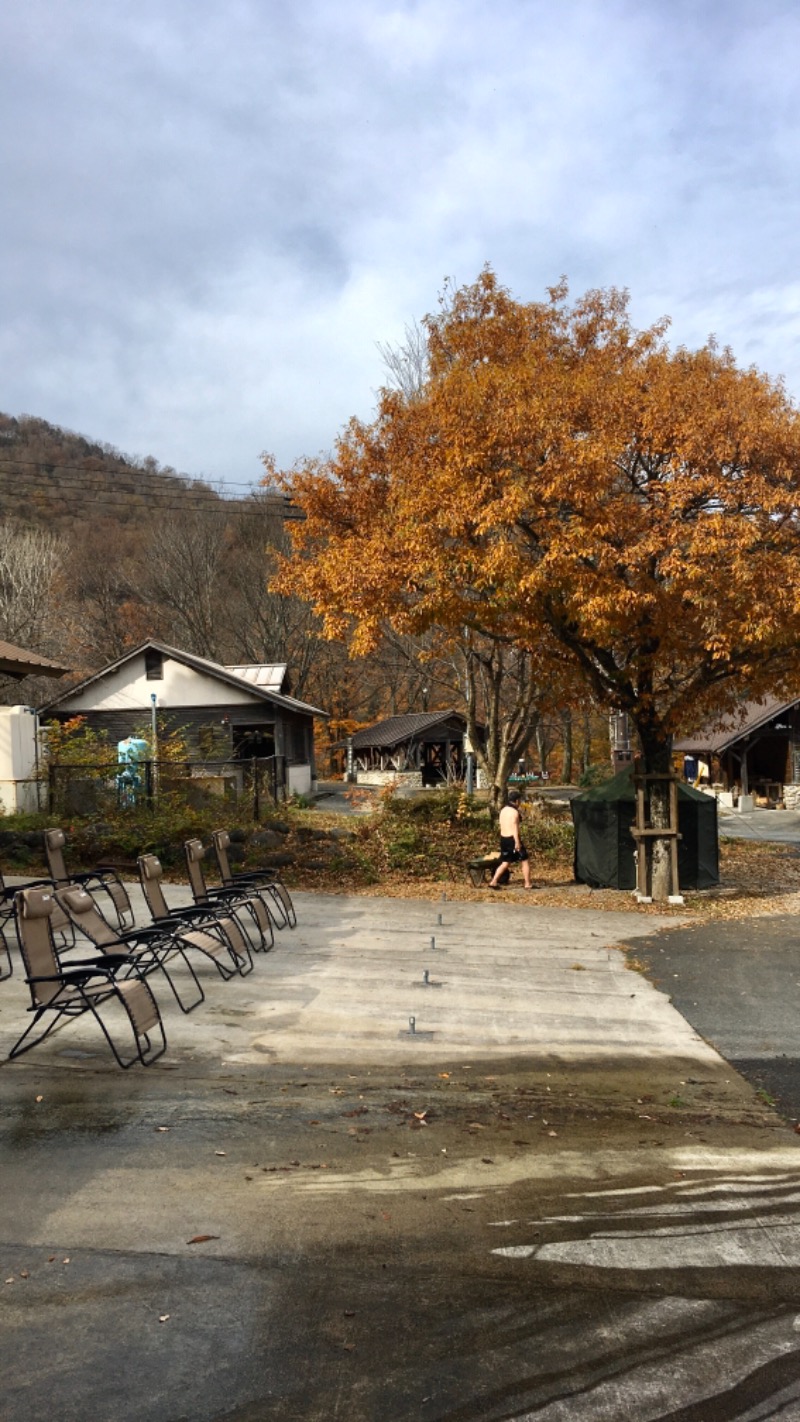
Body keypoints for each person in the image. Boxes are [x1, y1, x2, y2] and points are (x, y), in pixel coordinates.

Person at [489, 788, 532, 889]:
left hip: (503, 839)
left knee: (505, 862)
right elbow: (515, 828)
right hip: (512, 839)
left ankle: (493, 881)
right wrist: (517, 842)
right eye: (520, 801)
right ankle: (527, 884)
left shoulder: (503, 810)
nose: (520, 803)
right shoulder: (514, 813)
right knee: (525, 860)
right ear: (517, 801)